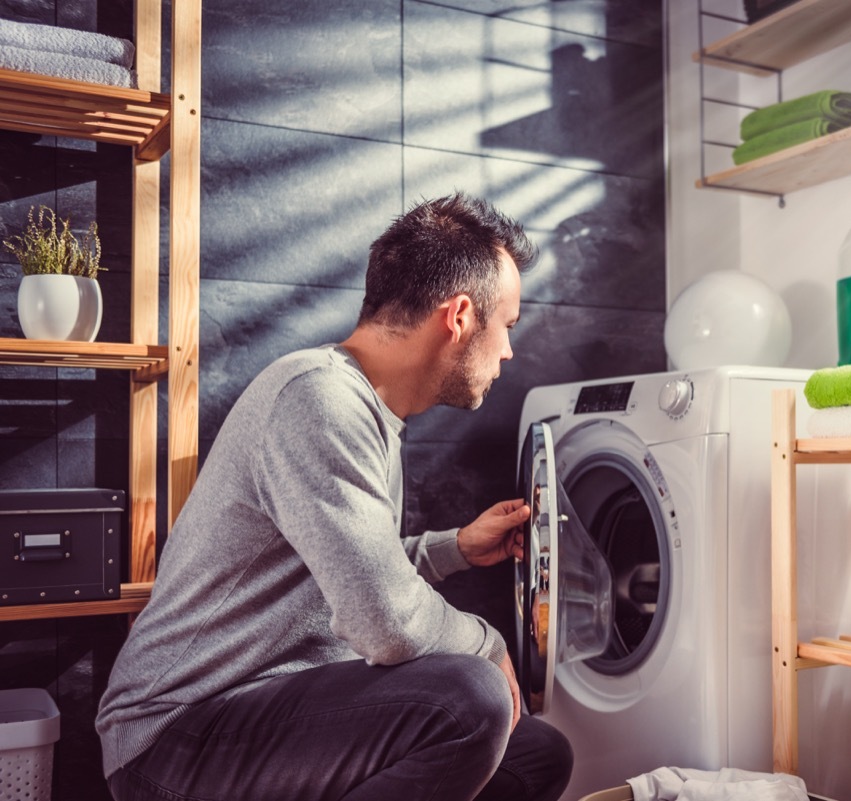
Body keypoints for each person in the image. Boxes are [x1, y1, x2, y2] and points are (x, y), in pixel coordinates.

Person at [96, 193, 573, 801]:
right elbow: (387, 623)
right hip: (176, 734)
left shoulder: (362, 406)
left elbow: (342, 569)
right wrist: (489, 642)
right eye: (506, 326)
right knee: (470, 699)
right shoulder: (319, 399)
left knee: (535, 756)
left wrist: (452, 549)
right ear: (458, 318)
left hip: (262, 712)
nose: (508, 350)